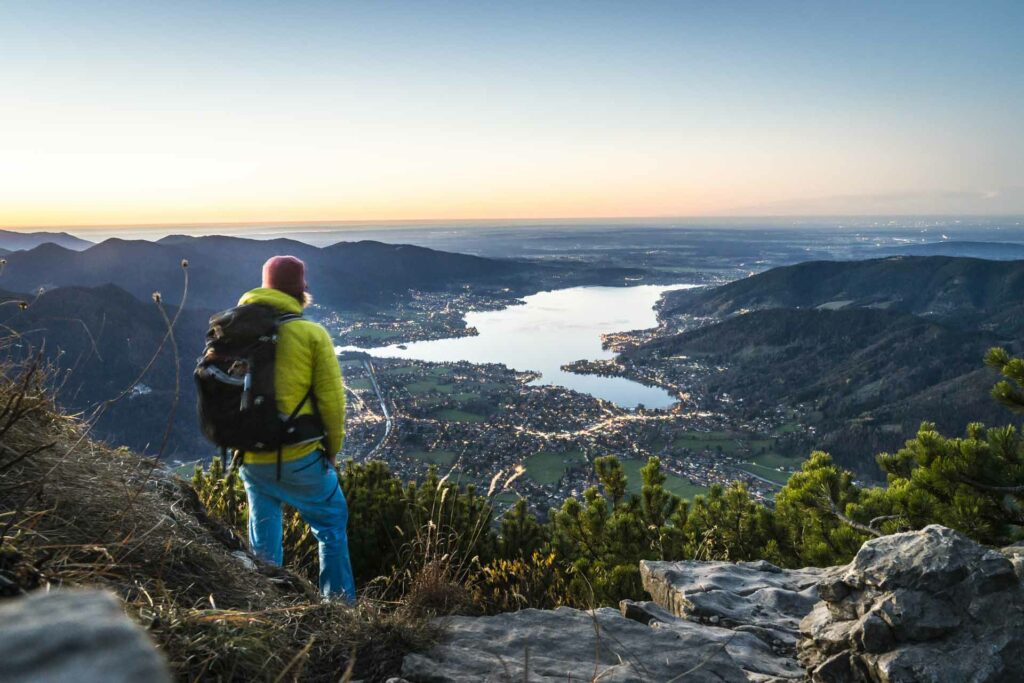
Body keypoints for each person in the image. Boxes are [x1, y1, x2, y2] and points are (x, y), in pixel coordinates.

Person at [237, 255, 356, 601]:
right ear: (302, 289)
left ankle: (265, 601)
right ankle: (339, 609)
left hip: (251, 457)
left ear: (263, 286)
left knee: (264, 530)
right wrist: (332, 451)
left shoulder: (237, 331)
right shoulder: (311, 334)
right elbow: (332, 405)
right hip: (300, 456)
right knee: (331, 524)